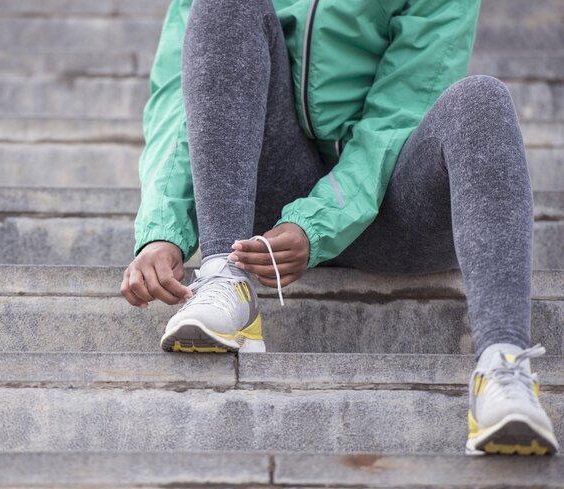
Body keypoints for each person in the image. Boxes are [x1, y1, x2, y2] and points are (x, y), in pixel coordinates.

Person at [120, 0, 559, 456]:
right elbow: (181, 91)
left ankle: (503, 369)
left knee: (481, 99)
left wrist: (315, 223)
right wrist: (164, 229)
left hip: (394, 202)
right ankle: (222, 277)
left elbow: (398, 116)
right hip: (263, 201)